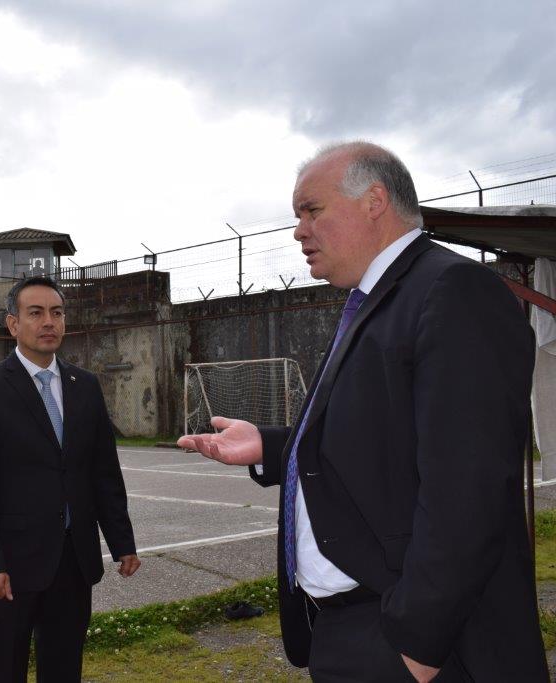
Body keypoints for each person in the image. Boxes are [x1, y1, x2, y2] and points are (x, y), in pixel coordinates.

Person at [179, 142, 547, 681]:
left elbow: (470, 487)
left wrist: (417, 646)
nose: (299, 230)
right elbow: (387, 438)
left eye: (312, 210)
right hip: (353, 629)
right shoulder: (377, 299)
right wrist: (274, 445)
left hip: (416, 643)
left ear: (375, 200)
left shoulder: (452, 289)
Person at [0, 275, 141, 682]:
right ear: (12, 325)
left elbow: (103, 472)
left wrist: (122, 542)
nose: (48, 322)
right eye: (35, 313)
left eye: (56, 312)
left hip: (73, 563)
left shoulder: (85, 386)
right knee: (4, 671)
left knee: (63, 670)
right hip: (9, 569)